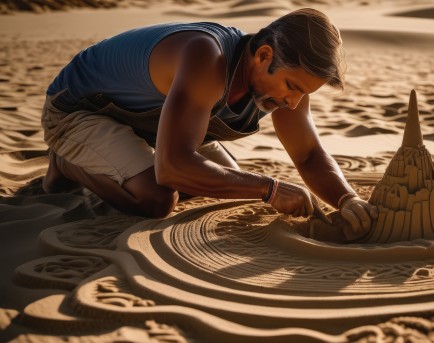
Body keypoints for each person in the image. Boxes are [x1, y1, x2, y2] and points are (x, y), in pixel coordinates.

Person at [41, 8, 377, 235]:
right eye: (291, 87)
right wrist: (270, 188)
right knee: (158, 198)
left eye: (303, 94)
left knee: (225, 182)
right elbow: (172, 167)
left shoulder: (289, 88)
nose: (293, 103)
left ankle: (122, 160)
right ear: (263, 56)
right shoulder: (207, 56)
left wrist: (348, 198)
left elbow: (308, 156)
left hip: (152, 122)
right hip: (79, 110)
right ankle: (65, 162)